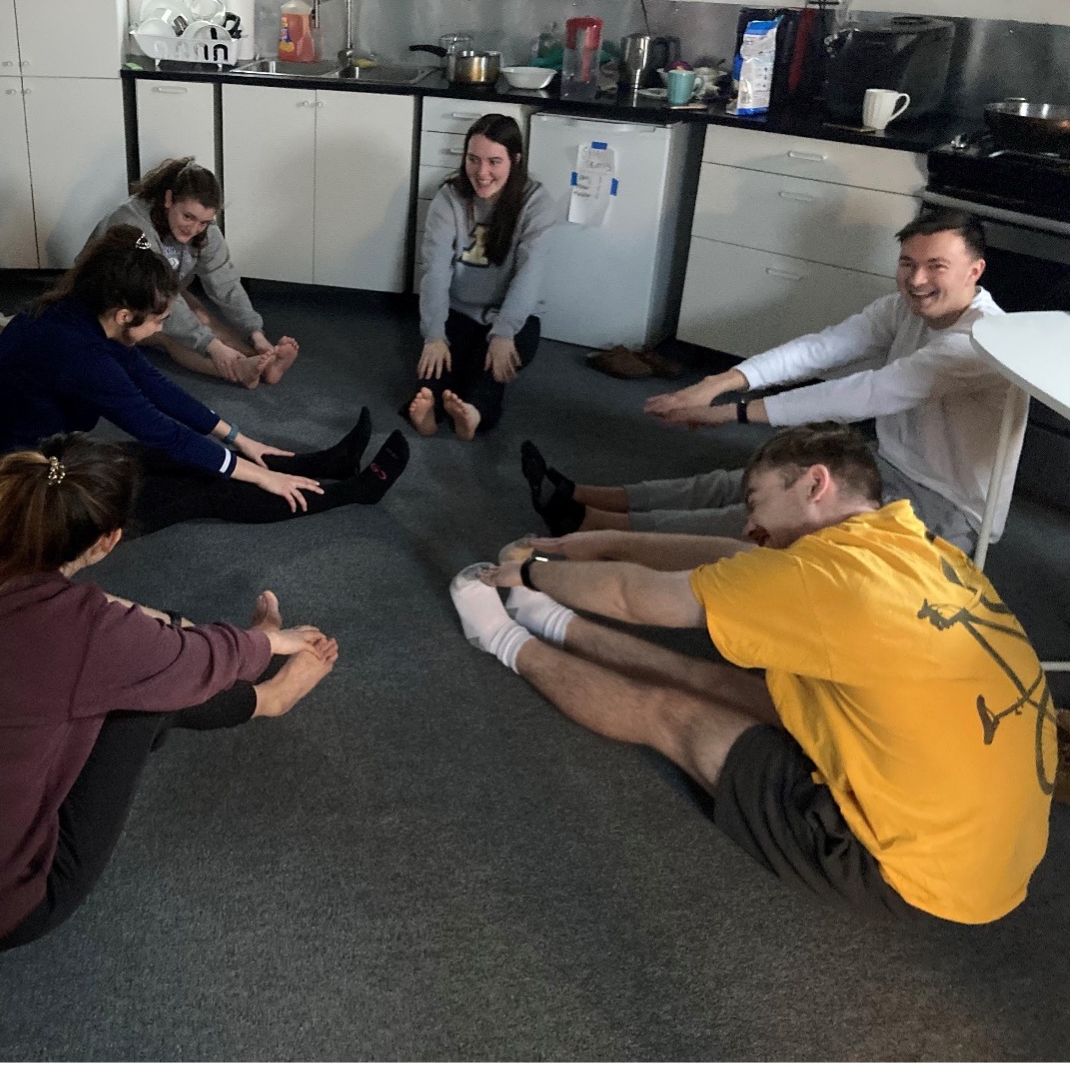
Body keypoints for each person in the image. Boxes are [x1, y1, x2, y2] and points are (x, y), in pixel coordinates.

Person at [454, 423, 1053, 923]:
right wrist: (594, 543)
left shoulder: (826, 583)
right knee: (736, 688)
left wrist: (531, 573)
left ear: (815, 483)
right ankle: (558, 626)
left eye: (756, 502)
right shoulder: (912, 548)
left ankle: (502, 638)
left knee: (674, 715)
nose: (748, 524)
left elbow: (634, 599)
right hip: (987, 848)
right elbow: (731, 561)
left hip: (902, 870)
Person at [0, 433, 341, 951]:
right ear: (108, 540)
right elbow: (199, 662)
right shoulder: (86, 633)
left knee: (120, 664)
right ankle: (269, 702)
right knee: (145, 699)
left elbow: (94, 612)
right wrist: (264, 644)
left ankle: (198, 656)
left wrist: (172, 626)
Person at [522, 209, 1021, 554]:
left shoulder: (979, 341)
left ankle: (596, 528)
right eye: (907, 264)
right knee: (749, 479)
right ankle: (585, 494)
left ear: (974, 270)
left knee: (773, 511)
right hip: (886, 465)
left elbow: (863, 393)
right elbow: (823, 348)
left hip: (947, 512)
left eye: (936, 266)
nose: (916, 280)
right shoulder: (901, 309)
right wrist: (720, 382)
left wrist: (732, 412)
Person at [0, 224, 409, 536]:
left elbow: (153, 385)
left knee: (193, 458)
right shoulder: (79, 355)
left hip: (49, 456)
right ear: (125, 315)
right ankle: (353, 490)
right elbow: (159, 427)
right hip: (26, 497)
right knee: (208, 486)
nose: (162, 330)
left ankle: (323, 466)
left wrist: (239, 438)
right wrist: (255, 475)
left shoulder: (85, 311)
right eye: (159, 320)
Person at [407, 114, 558, 440]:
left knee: (490, 368)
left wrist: (504, 332)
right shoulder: (449, 197)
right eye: (473, 159)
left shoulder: (536, 202)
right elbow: (435, 269)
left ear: (515, 160)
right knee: (439, 361)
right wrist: (433, 334)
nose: (482, 172)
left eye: (494, 161)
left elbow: (529, 273)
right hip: (458, 310)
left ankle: (473, 414)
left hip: (511, 316)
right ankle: (428, 410)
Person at [91, 157, 299, 388]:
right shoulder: (132, 224)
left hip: (162, 291)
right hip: (113, 302)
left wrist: (255, 333)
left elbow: (225, 282)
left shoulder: (205, 229)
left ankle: (261, 360)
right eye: (187, 217)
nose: (193, 228)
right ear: (169, 199)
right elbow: (156, 292)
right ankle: (240, 371)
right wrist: (212, 346)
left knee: (202, 317)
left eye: (203, 222)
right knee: (172, 334)